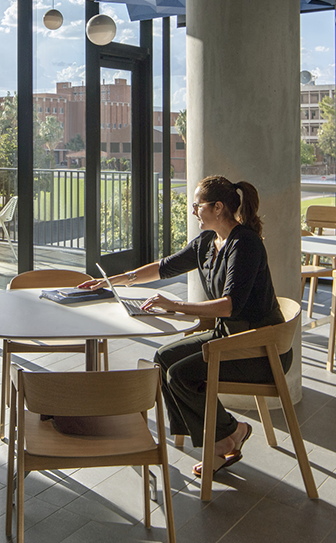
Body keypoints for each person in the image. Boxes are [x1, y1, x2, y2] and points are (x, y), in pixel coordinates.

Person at [90, 175, 287, 477]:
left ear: (218, 207)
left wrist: (176, 305)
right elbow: (163, 268)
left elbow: (229, 305)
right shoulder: (208, 243)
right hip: (228, 337)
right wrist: (111, 281)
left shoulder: (244, 244)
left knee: (180, 375)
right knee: (163, 359)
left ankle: (225, 438)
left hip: (258, 348)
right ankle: (225, 434)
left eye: (198, 205)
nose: (193, 210)